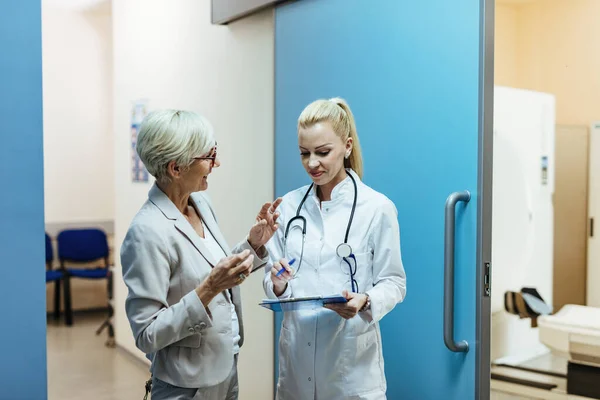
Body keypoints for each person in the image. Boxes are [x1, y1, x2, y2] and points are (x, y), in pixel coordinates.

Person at [121, 109, 281, 400]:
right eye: (209, 156)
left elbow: (209, 268)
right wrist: (209, 288)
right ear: (176, 168)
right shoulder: (146, 231)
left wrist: (252, 245)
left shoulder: (200, 203)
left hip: (225, 366)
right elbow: (147, 333)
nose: (216, 163)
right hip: (186, 384)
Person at [263, 98, 407, 399]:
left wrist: (366, 300)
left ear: (348, 146)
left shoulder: (376, 208)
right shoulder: (289, 207)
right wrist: (277, 282)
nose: (312, 163)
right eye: (304, 153)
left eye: (323, 152)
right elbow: (273, 278)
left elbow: (394, 283)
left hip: (350, 373)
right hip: (296, 369)